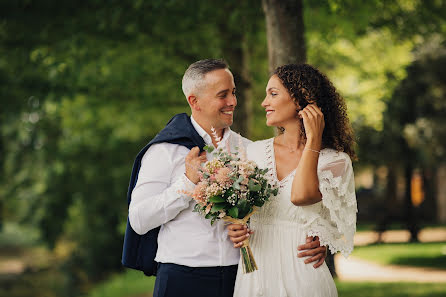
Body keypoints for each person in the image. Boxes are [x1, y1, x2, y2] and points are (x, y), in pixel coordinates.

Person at [123, 59, 327, 297]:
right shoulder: (165, 151)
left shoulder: (249, 150)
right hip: (182, 278)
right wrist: (188, 183)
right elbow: (139, 219)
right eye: (223, 95)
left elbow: (279, 205)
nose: (232, 102)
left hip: (240, 277)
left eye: (233, 92)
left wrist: (317, 239)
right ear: (194, 101)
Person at [228, 63, 357, 297]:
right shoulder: (252, 153)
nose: (264, 102)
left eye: (273, 94)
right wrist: (235, 227)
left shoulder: (335, 162)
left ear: (301, 100)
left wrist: (313, 140)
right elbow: (237, 210)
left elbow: (301, 196)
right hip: (255, 275)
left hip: (302, 273)